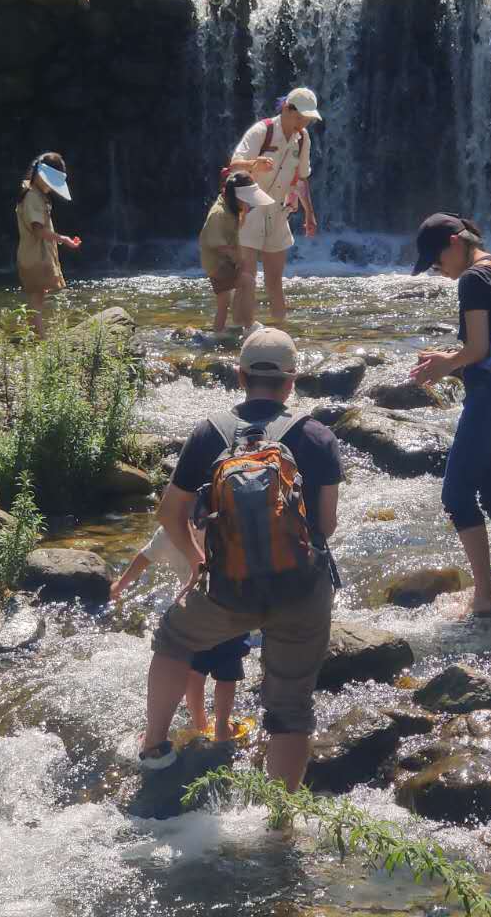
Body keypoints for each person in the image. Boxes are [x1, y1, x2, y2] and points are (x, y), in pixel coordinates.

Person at [139, 327, 342, 790]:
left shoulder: (209, 433)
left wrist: (197, 562)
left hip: (228, 587)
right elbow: (325, 527)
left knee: (173, 639)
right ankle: (280, 819)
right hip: (300, 588)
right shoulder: (316, 436)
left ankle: (154, 747)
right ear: (292, 382)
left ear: (239, 375)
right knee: (290, 707)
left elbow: (170, 514)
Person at [408, 213, 491, 618]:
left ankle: (483, 597)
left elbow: (477, 349)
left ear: (456, 241)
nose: (437, 269)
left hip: (490, 397)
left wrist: (444, 363)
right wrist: (450, 359)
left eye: (436, 258)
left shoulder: (473, 279)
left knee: (456, 494)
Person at [110, 525, 249, 741]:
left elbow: (144, 558)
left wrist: (120, 584)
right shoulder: (221, 521)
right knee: (227, 675)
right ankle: (222, 728)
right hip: (231, 609)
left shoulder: (168, 532)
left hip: (194, 612)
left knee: (195, 674)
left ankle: (200, 724)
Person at [227, 87, 322, 328]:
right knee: (247, 278)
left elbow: (301, 178)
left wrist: (309, 213)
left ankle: (281, 334)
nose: (304, 123)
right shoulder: (263, 131)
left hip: (278, 212)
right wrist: (253, 164)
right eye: (301, 117)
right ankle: (241, 333)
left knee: (275, 281)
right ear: (287, 109)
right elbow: (234, 167)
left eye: (308, 119)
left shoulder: (303, 140)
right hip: (249, 211)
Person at [199, 172, 275, 333]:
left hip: (218, 262)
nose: (248, 204)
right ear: (235, 197)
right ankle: (249, 326)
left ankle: (218, 333)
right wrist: (237, 259)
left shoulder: (229, 207)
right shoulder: (218, 214)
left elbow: (233, 232)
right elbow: (218, 245)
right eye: (245, 201)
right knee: (248, 282)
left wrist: (244, 213)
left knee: (223, 302)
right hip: (218, 264)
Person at [16, 152, 81, 338]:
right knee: (37, 297)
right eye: (50, 183)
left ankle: (33, 333)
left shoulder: (35, 194)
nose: (51, 188)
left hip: (38, 255)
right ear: (39, 176)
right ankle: (41, 338)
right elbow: (37, 230)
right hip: (34, 256)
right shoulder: (32, 197)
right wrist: (64, 239)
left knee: (39, 296)